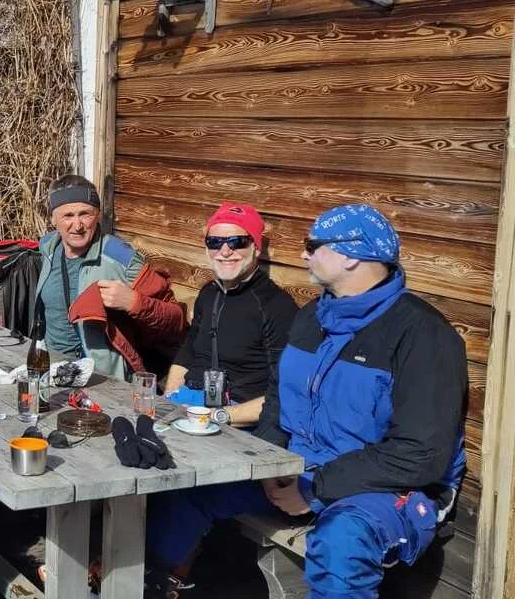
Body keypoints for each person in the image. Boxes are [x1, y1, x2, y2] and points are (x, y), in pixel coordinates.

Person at [144, 204, 467, 599]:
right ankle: (156, 584)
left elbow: (419, 454)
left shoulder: (423, 336)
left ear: (351, 255)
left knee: (341, 545)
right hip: (298, 465)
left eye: (313, 245)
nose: (302, 254)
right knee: (189, 487)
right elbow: (279, 402)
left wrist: (317, 489)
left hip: (381, 487)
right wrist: (265, 463)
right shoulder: (313, 317)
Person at [35, 174, 186, 380]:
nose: (77, 225)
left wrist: (134, 302)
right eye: (68, 215)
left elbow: (176, 320)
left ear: (97, 215)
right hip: (51, 365)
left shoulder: (121, 257)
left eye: (85, 214)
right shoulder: (47, 248)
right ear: (53, 219)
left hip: (101, 378)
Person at [162, 202, 297, 426]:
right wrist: (171, 398)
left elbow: (284, 393)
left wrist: (218, 417)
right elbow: (188, 351)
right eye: (215, 242)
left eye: (237, 242)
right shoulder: (208, 292)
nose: (225, 251)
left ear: (256, 247)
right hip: (186, 404)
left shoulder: (277, 306)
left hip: (233, 418)